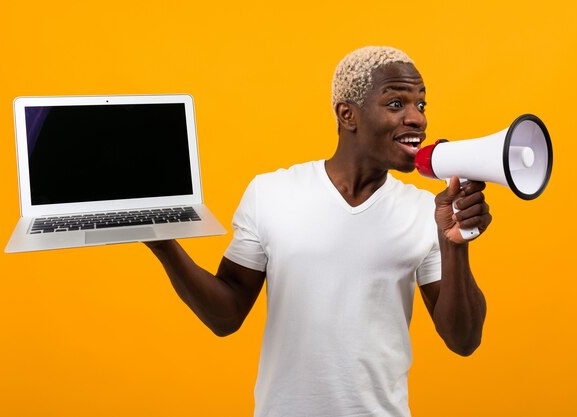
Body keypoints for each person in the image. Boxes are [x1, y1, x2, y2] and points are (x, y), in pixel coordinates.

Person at [145, 46, 491, 417]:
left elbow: (463, 339)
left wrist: (455, 244)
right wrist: (162, 243)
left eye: (421, 105)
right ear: (347, 115)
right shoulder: (271, 193)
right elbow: (225, 316)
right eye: (396, 104)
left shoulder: (424, 211)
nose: (417, 119)